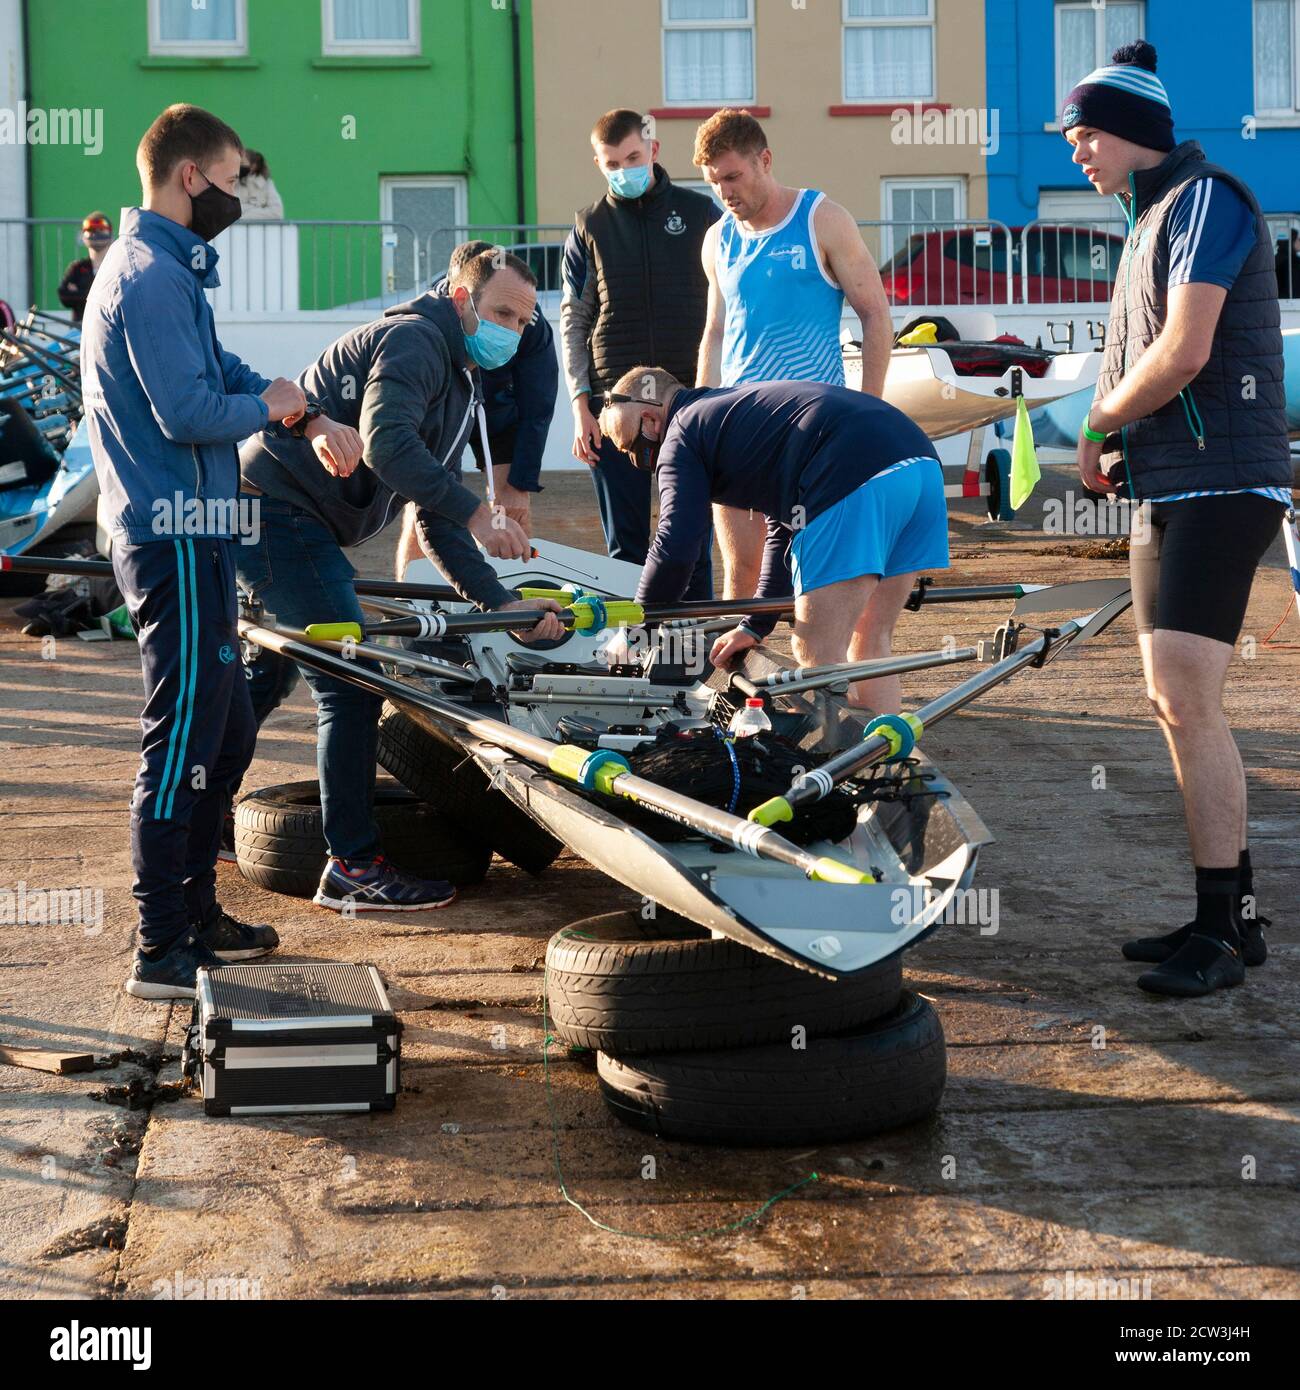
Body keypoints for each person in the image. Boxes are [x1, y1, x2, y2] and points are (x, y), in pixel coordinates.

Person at [79, 104, 363, 1000]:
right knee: (180, 739)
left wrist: (297, 405)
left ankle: (196, 913)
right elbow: (189, 413)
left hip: (196, 533)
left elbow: (221, 373)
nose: (243, 196)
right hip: (172, 536)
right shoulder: (149, 278)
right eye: (236, 179)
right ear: (190, 177)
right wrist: (267, 406)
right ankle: (161, 943)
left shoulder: (164, 271)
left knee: (226, 727)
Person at [236, 249, 565, 911]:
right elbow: (386, 445)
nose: (513, 329)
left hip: (285, 515)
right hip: (273, 511)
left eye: (524, 321)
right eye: (501, 312)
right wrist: (478, 512)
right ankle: (353, 868)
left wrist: (501, 603)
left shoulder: (460, 377)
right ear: (460, 298)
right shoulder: (416, 341)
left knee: (264, 676)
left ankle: (198, 817)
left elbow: (435, 514)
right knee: (352, 680)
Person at [1063, 42, 1290, 997]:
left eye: (1084, 137)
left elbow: (1188, 351)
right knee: (1169, 701)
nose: (1078, 154)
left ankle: (1220, 936)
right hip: (1171, 485)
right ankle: (1231, 917)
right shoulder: (1150, 214)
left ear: (1128, 134)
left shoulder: (1207, 200)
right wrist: (1122, 438)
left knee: (1191, 702)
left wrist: (1099, 418)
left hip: (1222, 485)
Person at [598, 367, 948, 712]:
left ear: (650, 420)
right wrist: (755, 624)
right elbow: (783, 526)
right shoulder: (732, 411)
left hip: (855, 471)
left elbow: (676, 543)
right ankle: (888, 760)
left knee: (816, 647)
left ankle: (832, 765)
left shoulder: (681, 431)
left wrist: (636, 626)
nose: (643, 461)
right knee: (870, 637)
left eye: (639, 450)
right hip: (919, 463)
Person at [692, 109, 895, 599]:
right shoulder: (718, 238)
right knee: (741, 575)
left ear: (765, 160)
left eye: (733, 177)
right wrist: (697, 415)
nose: (725, 192)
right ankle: (735, 672)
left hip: (813, 428)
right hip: (736, 426)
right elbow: (715, 332)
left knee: (817, 579)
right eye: (714, 182)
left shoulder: (822, 218)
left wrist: (868, 413)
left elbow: (875, 316)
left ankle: (820, 673)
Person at [562, 108, 719, 598]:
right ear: (598, 163)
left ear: (653, 149)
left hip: (689, 400)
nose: (623, 169)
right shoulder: (588, 226)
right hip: (615, 407)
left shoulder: (703, 215)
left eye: (632, 157)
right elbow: (574, 319)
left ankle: (699, 647)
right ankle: (630, 652)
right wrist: (579, 403)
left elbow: (731, 304)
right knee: (624, 549)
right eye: (611, 163)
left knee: (691, 536)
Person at [393, 239, 559, 577]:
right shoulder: (431, 312)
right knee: (423, 505)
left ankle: (515, 601)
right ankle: (410, 604)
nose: (513, 322)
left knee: (511, 508)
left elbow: (537, 405)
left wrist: (519, 483)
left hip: (498, 410)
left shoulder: (530, 319)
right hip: (441, 405)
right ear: (456, 290)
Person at [57, 212, 114, 322]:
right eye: (91, 230)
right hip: (80, 329)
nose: (96, 234)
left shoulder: (116, 267)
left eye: (102, 230)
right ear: (83, 236)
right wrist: (99, 295)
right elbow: (64, 296)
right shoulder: (77, 268)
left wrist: (80, 293)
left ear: (111, 236)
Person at [233, 148, 284, 220]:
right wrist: (255, 208)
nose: (238, 166)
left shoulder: (267, 184)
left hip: (260, 230)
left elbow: (277, 213)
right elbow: (228, 211)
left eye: (242, 163)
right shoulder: (232, 183)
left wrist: (245, 216)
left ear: (253, 166)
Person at [1275, 228, 1300, 300]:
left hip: (1277, 302)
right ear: (1291, 241)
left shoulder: (1274, 259)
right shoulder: (1293, 262)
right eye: (1297, 239)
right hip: (1293, 304)